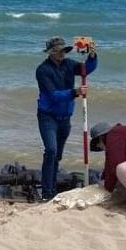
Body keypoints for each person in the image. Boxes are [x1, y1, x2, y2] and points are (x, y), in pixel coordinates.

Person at [36, 36, 97, 200]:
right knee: (51, 151)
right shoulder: (42, 70)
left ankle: (52, 188)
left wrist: (92, 55)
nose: (62, 53)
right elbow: (54, 95)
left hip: (65, 118)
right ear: (50, 52)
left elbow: (86, 70)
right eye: (58, 51)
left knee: (57, 155)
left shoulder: (69, 64)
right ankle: (47, 193)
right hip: (47, 116)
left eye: (63, 50)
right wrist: (75, 92)